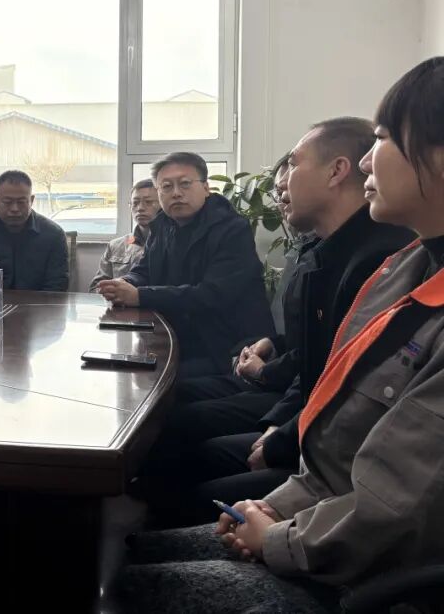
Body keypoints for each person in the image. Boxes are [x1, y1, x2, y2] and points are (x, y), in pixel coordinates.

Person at [117, 58, 444, 612]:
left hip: (369, 573)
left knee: (121, 583)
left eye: (386, 137)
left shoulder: (379, 258)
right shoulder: (405, 268)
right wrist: (280, 505)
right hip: (321, 514)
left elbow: (396, 504)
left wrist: (276, 535)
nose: (369, 158)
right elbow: (338, 437)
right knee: (123, 555)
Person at [141, 120, 414, 523]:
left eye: (294, 164)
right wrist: (277, 364)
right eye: (166, 186)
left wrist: (281, 431)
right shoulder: (324, 248)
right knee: (181, 436)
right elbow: (319, 360)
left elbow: (346, 389)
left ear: (337, 171)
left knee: (189, 462)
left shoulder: (380, 259)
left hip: (335, 455)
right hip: (301, 413)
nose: (281, 183)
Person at [98, 152, 274, 378]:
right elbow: (145, 270)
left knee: (149, 378)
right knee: (115, 366)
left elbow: (211, 295)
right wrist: (124, 283)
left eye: (185, 184)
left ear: (206, 188)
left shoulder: (232, 229)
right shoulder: (162, 225)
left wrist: (139, 296)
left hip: (228, 348)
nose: (176, 193)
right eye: (166, 186)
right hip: (178, 337)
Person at [0, 170, 69, 292]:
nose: (14, 209)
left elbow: (57, 286)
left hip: (39, 303)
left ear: (31, 200)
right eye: (7, 202)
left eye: (21, 202)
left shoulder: (53, 235)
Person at [89, 178, 159, 291]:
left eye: (148, 202)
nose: (140, 208)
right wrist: (109, 293)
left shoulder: (171, 244)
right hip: (118, 302)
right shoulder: (116, 246)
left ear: (163, 205)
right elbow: (95, 288)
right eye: (135, 203)